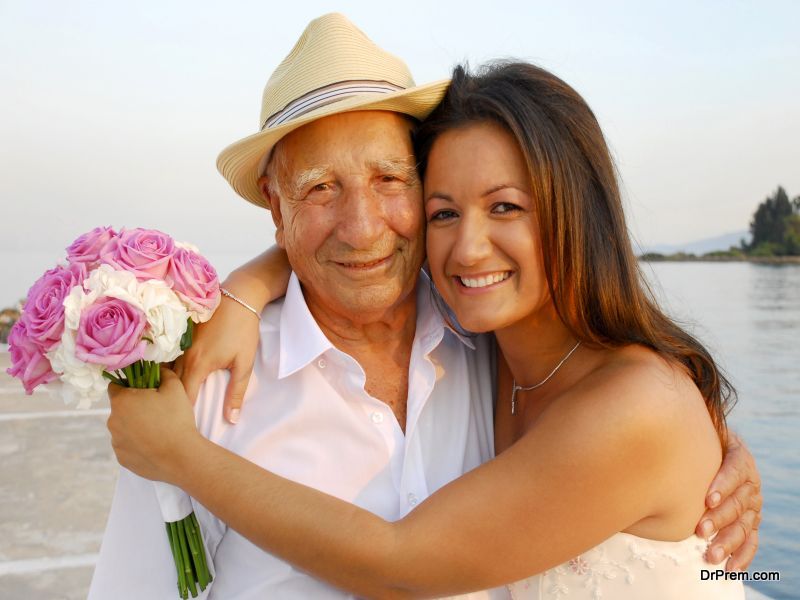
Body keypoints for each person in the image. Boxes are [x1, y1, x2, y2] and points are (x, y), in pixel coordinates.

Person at [94, 13, 761, 600]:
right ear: (276, 203)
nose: (363, 225)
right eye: (321, 188)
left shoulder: (499, 351)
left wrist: (180, 457)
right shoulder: (204, 390)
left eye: (389, 180)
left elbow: (400, 566)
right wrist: (250, 285)